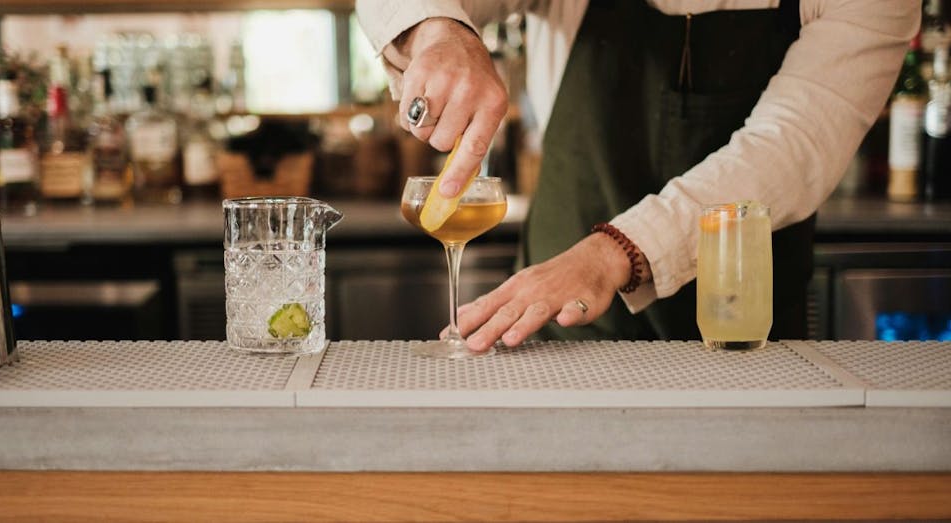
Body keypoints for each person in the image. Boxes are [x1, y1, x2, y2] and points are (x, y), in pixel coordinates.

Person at [356, 0, 920, 352]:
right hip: (558, 334)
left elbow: (792, 145)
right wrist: (440, 32)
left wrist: (612, 253)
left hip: (742, 343)